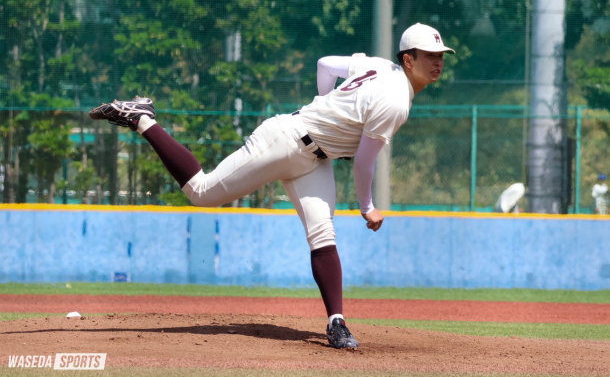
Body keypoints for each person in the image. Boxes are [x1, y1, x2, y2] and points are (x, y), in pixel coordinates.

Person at [89, 23, 455, 349]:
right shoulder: (395, 101)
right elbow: (363, 162)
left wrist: (325, 105)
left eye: (440, 56)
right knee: (201, 192)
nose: (437, 62)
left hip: (315, 158)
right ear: (408, 59)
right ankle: (143, 119)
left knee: (323, 235)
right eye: (429, 55)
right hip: (285, 141)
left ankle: (336, 323)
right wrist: (367, 207)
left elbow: (325, 65)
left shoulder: (379, 66)